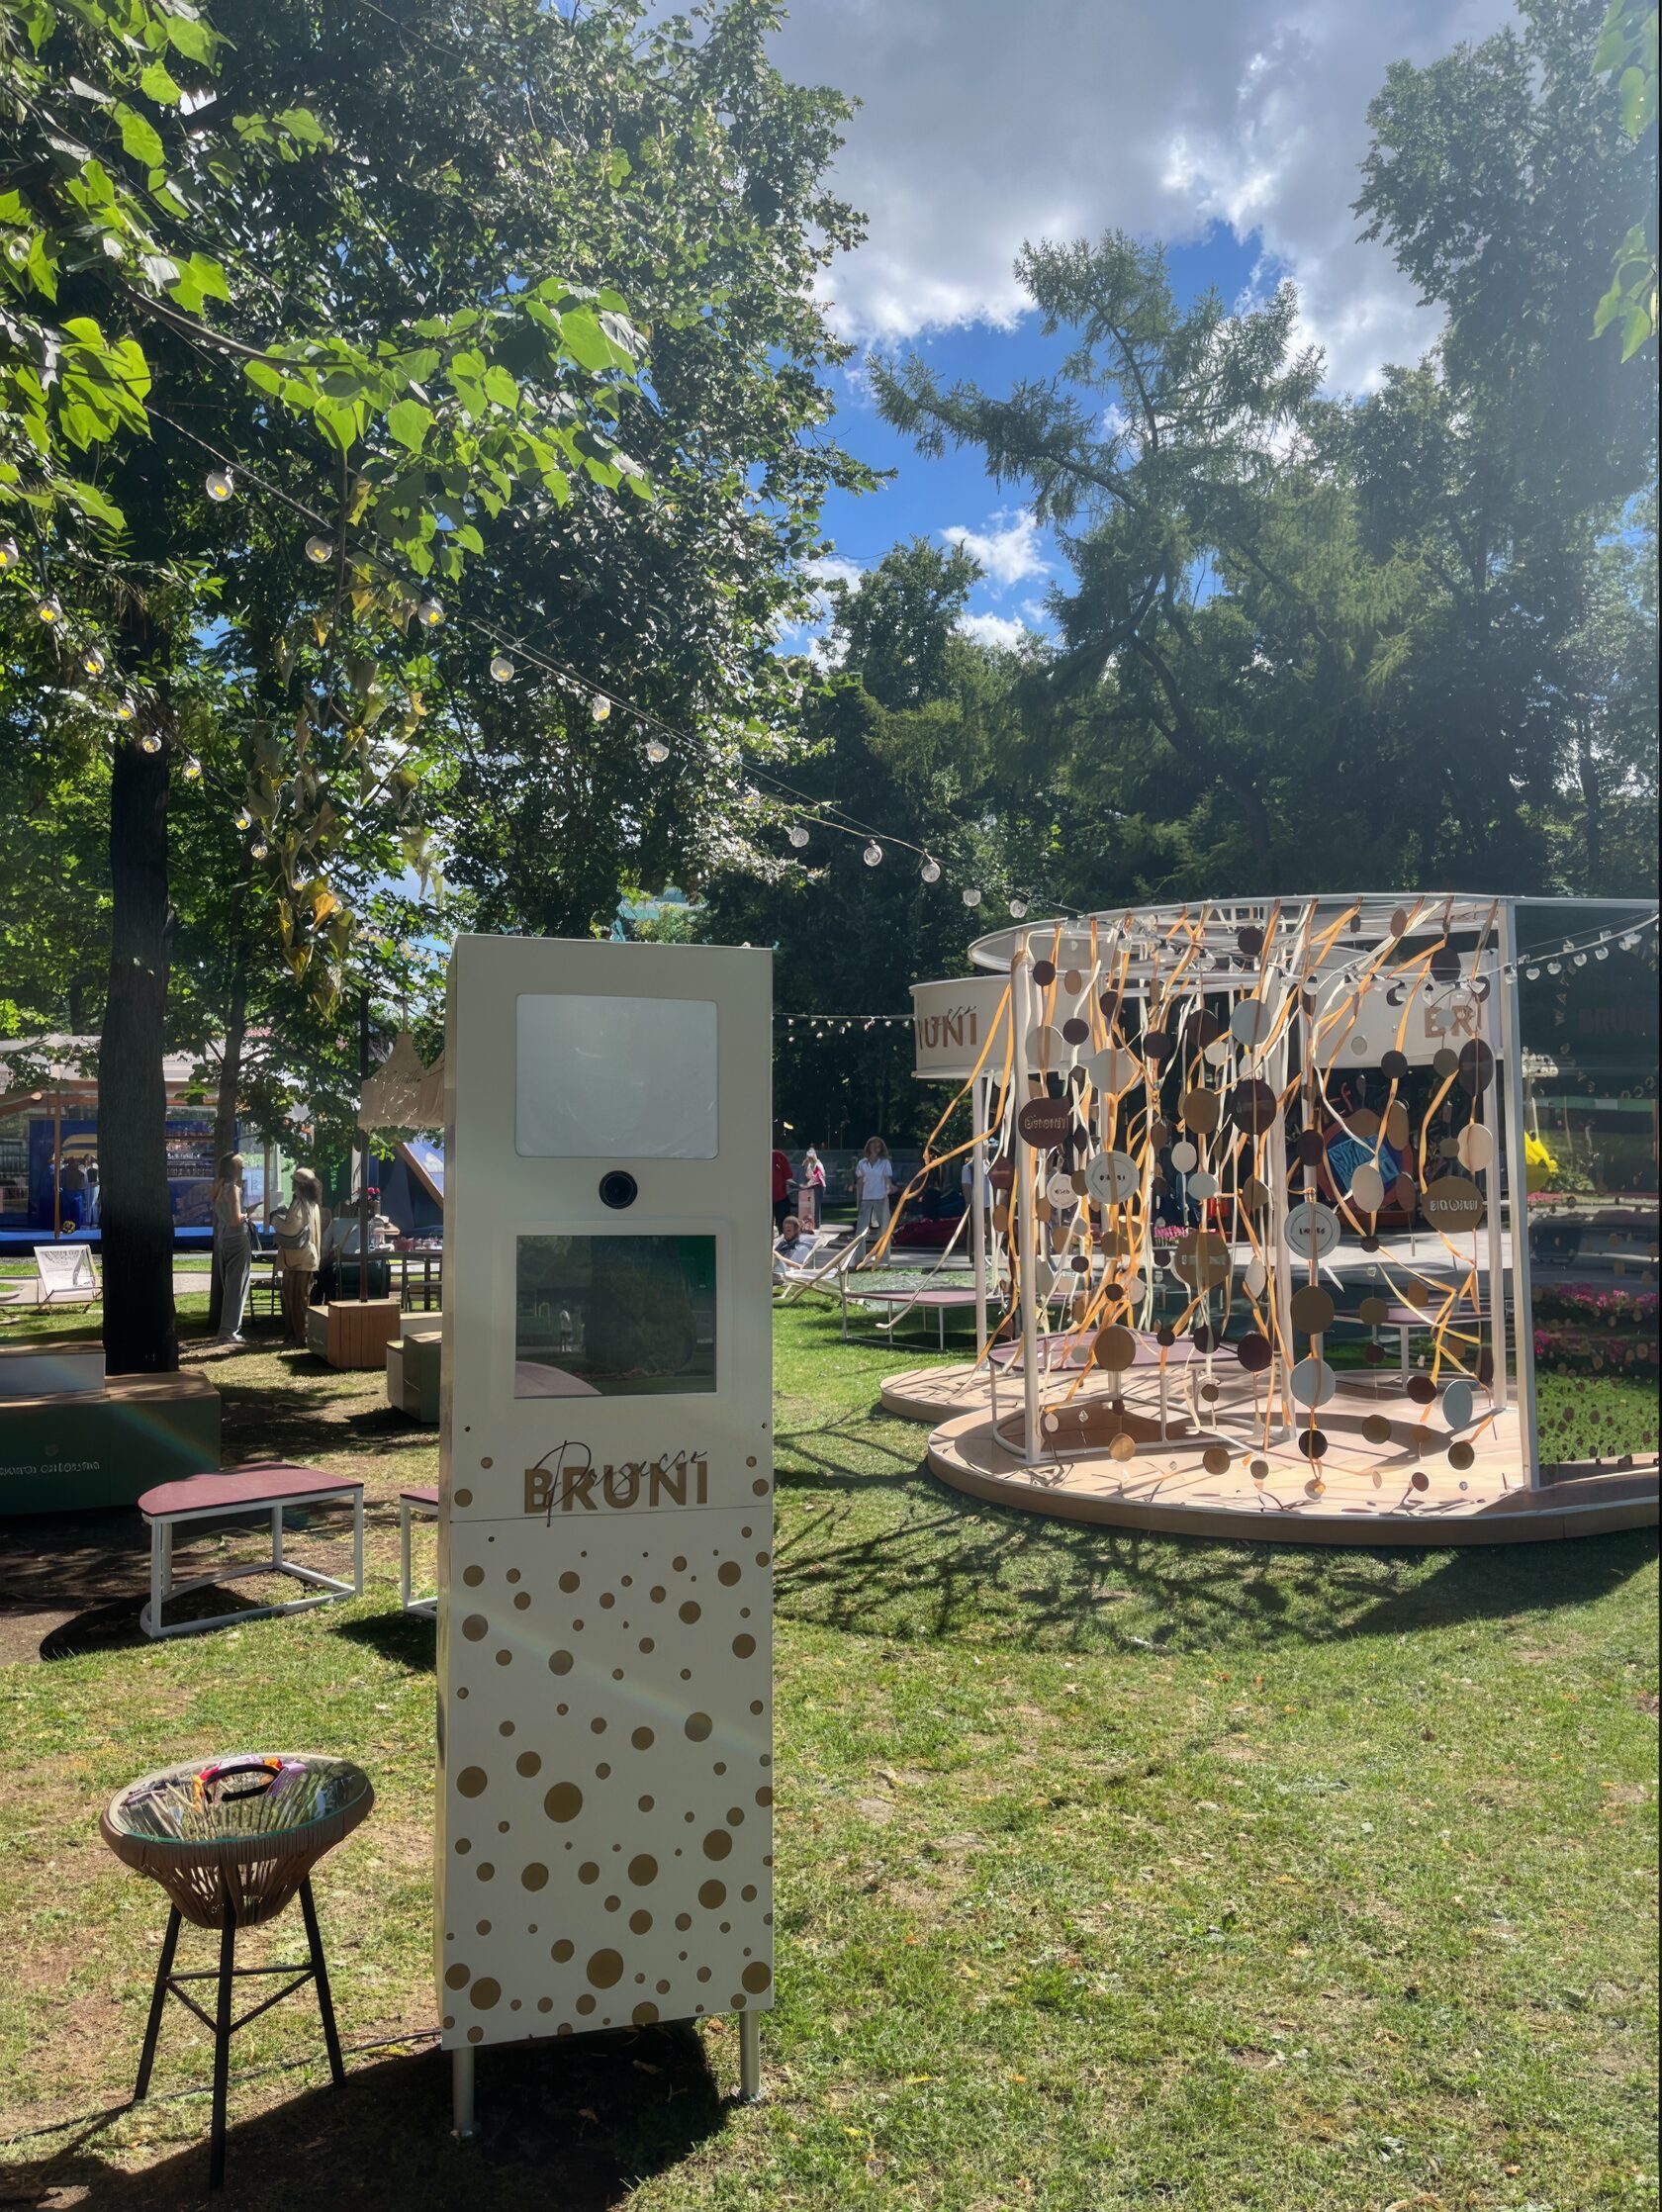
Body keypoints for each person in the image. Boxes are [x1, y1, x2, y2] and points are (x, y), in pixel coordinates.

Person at [271, 1167, 323, 1346]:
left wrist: (275, 1220)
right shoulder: (312, 1204)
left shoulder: (302, 1204)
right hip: (303, 1257)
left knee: (296, 1299)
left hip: (300, 1258)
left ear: (299, 1185)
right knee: (295, 1298)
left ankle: (298, 1336)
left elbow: (292, 1228)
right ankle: (294, 1335)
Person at [210, 1152, 253, 1344]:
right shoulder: (234, 1189)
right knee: (238, 1285)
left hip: (224, 1238)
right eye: (241, 1167)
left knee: (229, 1285)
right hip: (237, 1238)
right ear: (235, 1169)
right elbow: (236, 1219)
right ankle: (230, 1330)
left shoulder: (218, 1187)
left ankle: (226, 1328)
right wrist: (247, 1214)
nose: (242, 1171)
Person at [853, 1136, 893, 1254]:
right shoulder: (862, 1163)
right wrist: (858, 1201)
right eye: (873, 1145)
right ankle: (858, 1258)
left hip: (881, 1198)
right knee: (860, 1231)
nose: (876, 1147)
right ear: (869, 1146)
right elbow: (860, 1184)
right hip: (866, 1198)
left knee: (884, 1230)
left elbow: (887, 1181)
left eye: (878, 1146)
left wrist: (889, 1190)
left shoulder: (885, 1163)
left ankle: (884, 1259)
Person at [772, 1214, 819, 1282]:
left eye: (789, 1230)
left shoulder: (801, 1247)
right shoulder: (782, 1243)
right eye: (784, 1230)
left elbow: (797, 1266)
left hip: (788, 1273)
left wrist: (776, 1254)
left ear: (796, 1230)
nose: (785, 1233)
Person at [770, 1145, 796, 1233]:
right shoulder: (778, 1155)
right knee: (782, 1222)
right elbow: (789, 1175)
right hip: (779, 1196)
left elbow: (788, 1175)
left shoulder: (778, 1156)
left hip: (774, 1196)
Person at [85, 1157, 100, 1227]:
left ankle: (91, 1221)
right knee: (92, 1203)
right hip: (93, 1187)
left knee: (91, 1203)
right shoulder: (91, 1168)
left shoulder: (92, 1167)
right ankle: (93, 1221)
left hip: (92, 1187)